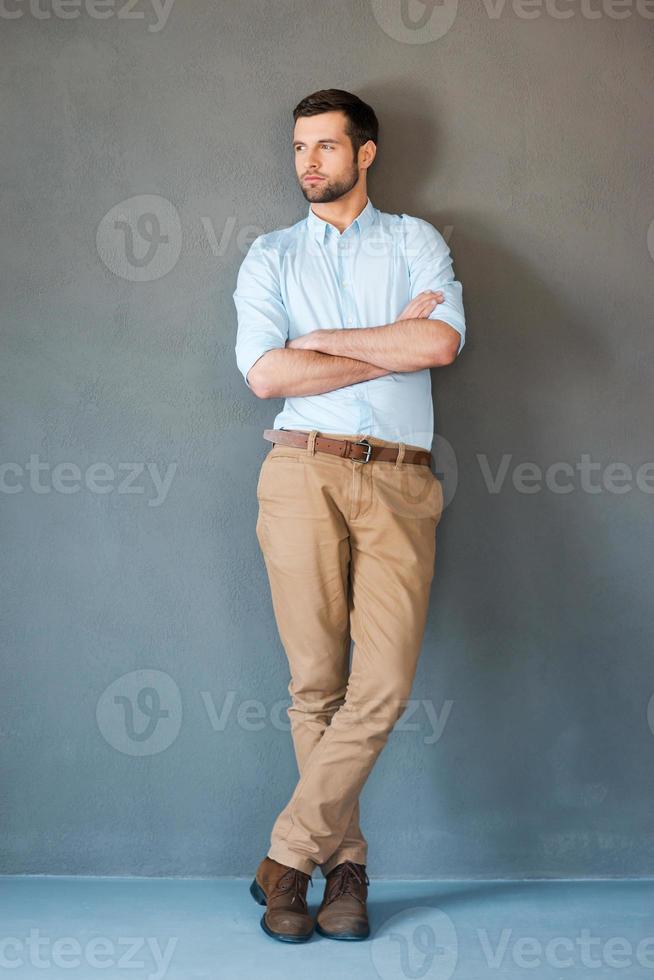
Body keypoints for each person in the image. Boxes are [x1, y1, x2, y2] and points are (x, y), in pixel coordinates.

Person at [233, 88, 466, 943]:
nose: (309, 163)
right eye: (300, 147)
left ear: (364, 154)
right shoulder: (267, 256)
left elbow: (437, 345)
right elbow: (264, 377)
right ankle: (344, 874)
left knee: (384, 686)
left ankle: (285, 854)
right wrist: (379, 345)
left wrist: (318, 348)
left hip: (402, 482)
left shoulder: (416, 242)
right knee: (313, 688)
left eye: (327, 147)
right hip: (299, 474)